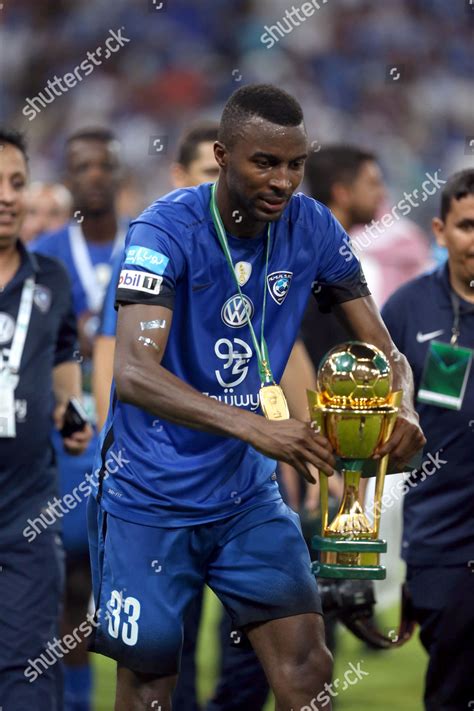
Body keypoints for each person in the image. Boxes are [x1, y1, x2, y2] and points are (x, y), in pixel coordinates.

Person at [88, 84, 424, 711]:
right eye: (264, 163)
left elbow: (381, 346)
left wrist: (401, 400)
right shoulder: (163, 230)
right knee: (150, 686)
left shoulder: (312, 225)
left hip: (247, 498)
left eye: (295, 164)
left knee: (305, 666)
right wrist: (258, 429)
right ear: (222, 155)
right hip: (150, 498)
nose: (283, 180)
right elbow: (134, 373)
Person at [31, 127, 127, 711]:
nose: (94, 175)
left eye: (103, 165)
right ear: (67, 178)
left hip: (129, 430)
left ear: (119, 174)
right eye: (81, 166)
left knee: (116, 580)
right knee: (64, 575)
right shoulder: (44, 255)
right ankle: (73, 699)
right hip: (65, 431)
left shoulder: (146, 243)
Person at [0, 128, 91, 710]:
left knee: (30, 668)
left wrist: (68, 410)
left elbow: (63, 356)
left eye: (15, 182)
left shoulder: (51, 280)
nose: (8, 196)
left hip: (26, 509)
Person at [381, 168, 474, 711]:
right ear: (440, 231)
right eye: (467, 226)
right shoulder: (405, 310)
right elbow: (371, 424)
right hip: (441, 535)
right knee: (453, 689)